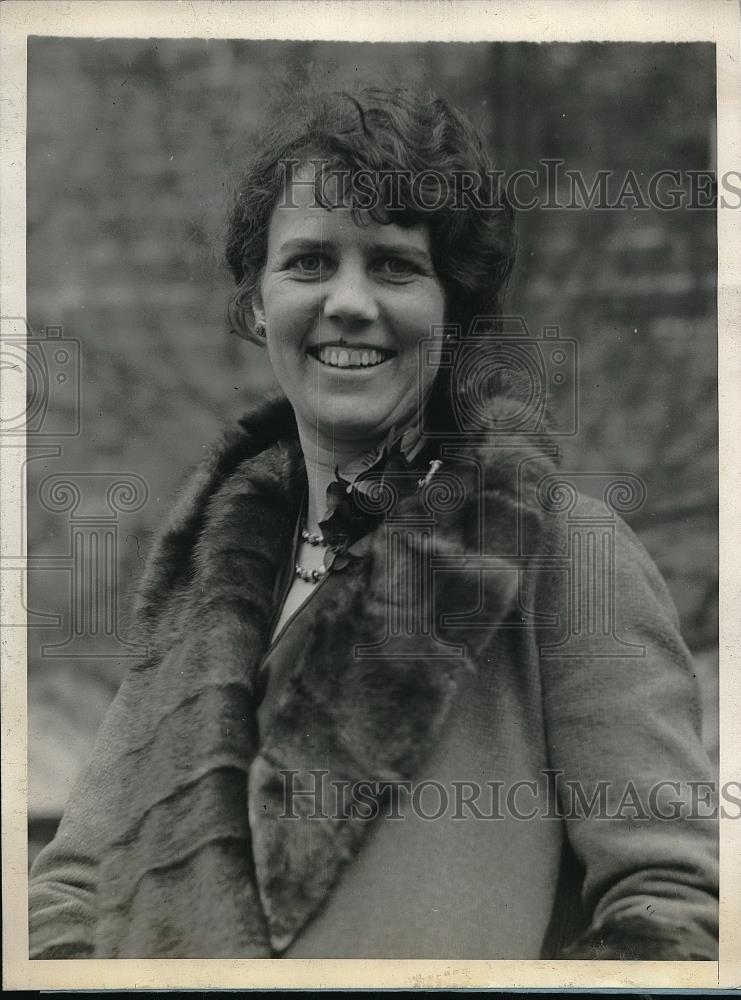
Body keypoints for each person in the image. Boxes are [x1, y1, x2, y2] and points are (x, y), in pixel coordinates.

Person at [29, 86, 718, 960]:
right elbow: (66, 891)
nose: (348, 301)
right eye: (309, 263)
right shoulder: (210, 574)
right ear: (255, 304)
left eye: (394, 265)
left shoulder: (559, 550)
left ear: (453, 313)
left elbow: (682, 907)